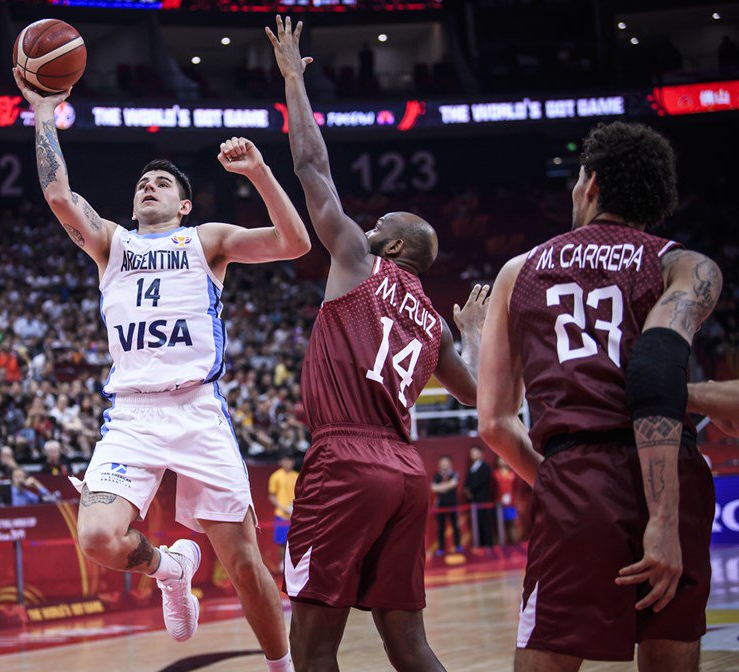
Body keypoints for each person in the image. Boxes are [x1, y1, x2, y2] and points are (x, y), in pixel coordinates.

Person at [14, 55, 311, 669]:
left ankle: (283, 666)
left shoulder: (206, 241)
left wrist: (259, 173)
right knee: (97, 538)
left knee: (245, 565)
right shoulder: (110, 244)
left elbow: (295, 243)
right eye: (142, 182)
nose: (148, 185)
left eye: (163, 183)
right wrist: (44, 112)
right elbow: (57, 194)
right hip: (132, 417)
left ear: (183, 206)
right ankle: (170, 566)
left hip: (198, 411)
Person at [267, 16, 487, 672]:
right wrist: (471, 335)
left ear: (389, 246)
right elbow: (476, 392)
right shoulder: (434, 321)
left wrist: (294, 83)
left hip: (346, 459)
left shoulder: (359, 261)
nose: (366, 222)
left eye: (378, 222)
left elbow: (310, 163)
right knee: (409, 644)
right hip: (406, 470)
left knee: (310, 647)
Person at [477, 121, 721, 670]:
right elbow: (658, 373)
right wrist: (661, 516)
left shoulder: (520, 272)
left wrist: (560, 485)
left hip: (577, 475)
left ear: (591, 184)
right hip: (673, 473)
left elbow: (493, 423)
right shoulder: (684, 266)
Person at [267, 453, 298, 569]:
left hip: (295, 514)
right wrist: (283, 508)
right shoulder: (275, 476)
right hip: (282, 515)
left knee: (295, 541)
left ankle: (293, 565)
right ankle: (282, 565)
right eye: (285, 460)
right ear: (281, 462)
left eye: (290, 460)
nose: (288, 463)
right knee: (281, 541)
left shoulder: (297, 476)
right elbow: (271, 496)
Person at [463, 446, 495, 548]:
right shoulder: (471, 468)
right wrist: (466, 490)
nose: (473, 454)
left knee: (485, 523)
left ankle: (488, 545)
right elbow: (466, 483)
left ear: (481, 454)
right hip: (473, 500)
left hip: (483, 499)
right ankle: (480, 545)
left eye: (475, 452)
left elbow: (482, 481)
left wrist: (470, 489)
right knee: (477, 524)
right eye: (471, 453)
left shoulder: (485, 466)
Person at [431, 456, 462, 554]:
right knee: (441, 527)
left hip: (453, 504)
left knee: (455, 526)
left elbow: (454, 483)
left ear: (450, 464)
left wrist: (441, 487)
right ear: (439, 465)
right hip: (441, 506)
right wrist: (446, 486)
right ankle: (441, 548)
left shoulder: (454, 474)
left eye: (446, 462)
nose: (444, 464)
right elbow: (433, 488)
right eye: (442, 463)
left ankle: (458, 546)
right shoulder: (437, 476)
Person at [494, 459, 518, 545]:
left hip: (511, 503)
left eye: (503, 459)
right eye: (499, 459)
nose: (502, 461)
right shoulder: (495, 474)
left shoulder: (512, 473)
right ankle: (502, 544)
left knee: (511, 524)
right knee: (500, 524)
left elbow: (516, 487)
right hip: (499, 503)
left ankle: (514, 543)